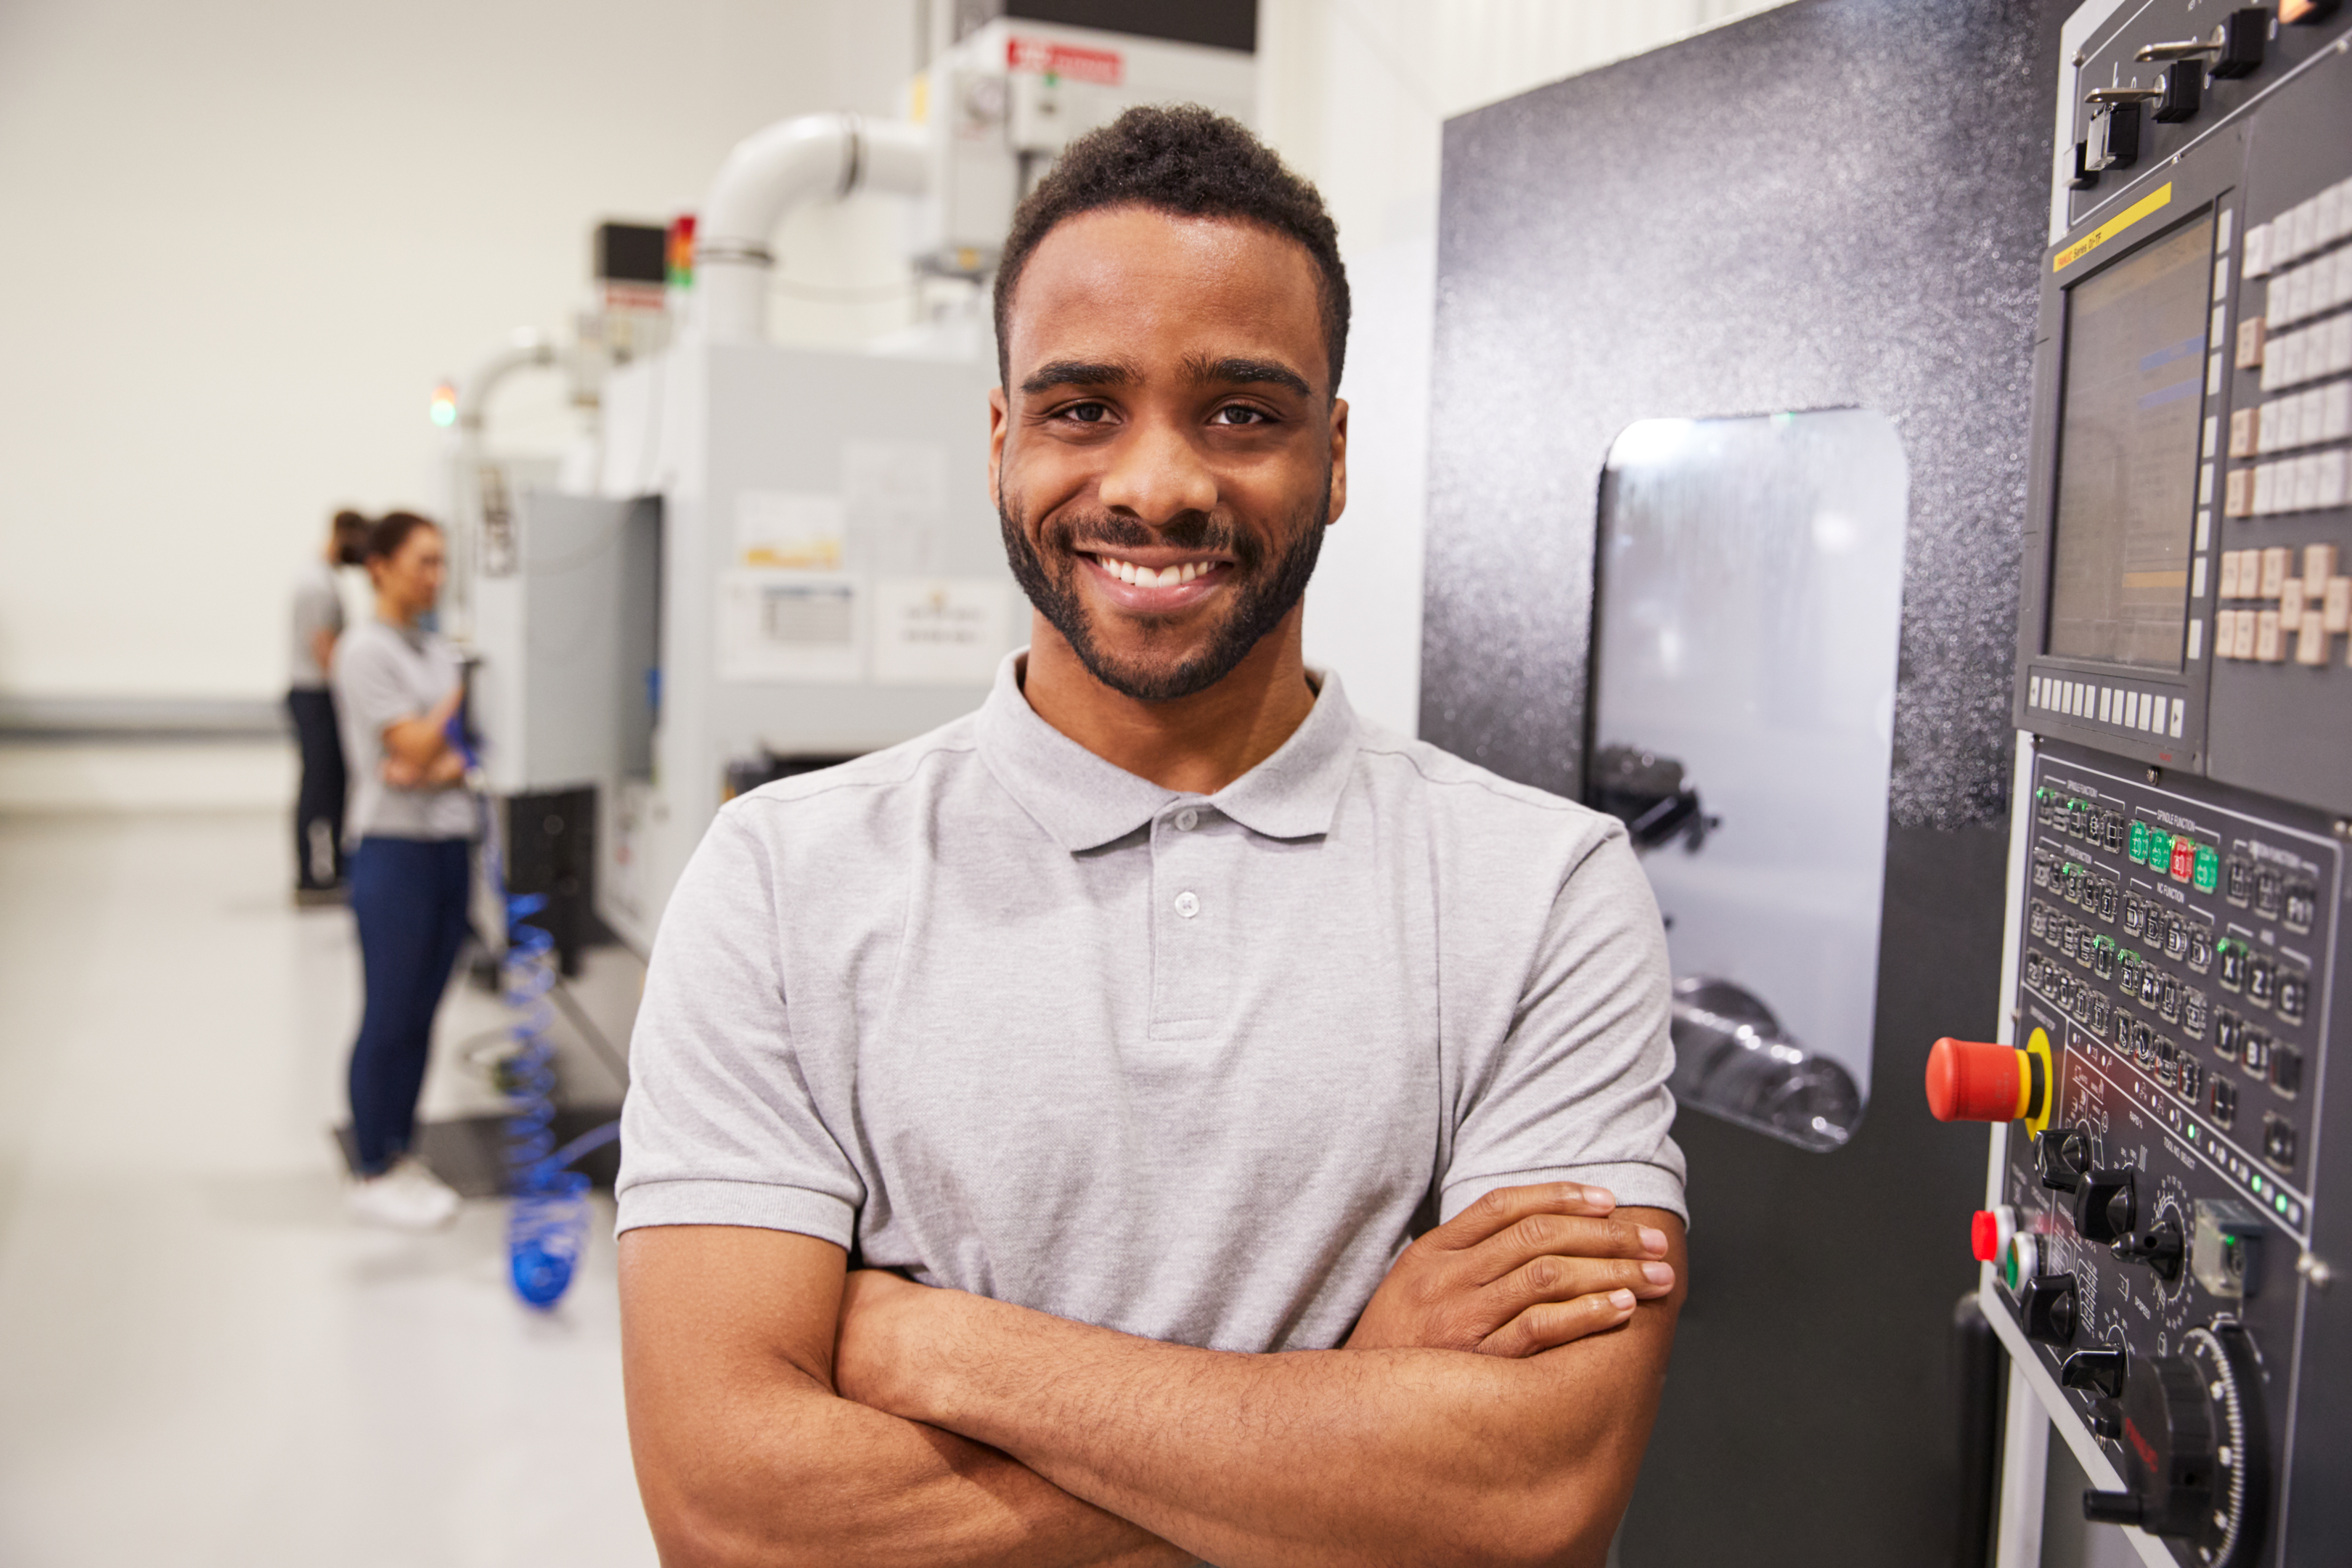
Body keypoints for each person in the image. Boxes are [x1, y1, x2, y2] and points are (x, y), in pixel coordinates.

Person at [618, 106, 1688, 1567]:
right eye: (1081, 409)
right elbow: (730, 1511)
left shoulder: (1545, 890)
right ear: (1002, 440)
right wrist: (1353, 1418)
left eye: (1242, 411)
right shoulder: (781, 880)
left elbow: (1525, 1502)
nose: (1156, 485)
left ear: (1338, 451)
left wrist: (941, 1350)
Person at [332, 511, 472, 1230]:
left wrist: (433, 757)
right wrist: (464, 692)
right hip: (393, 849)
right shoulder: (365, 650)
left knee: (423, 1012)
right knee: (388, 1011)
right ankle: (370, 1165)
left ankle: (401, 1149)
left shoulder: (430, 647)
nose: (436, 576)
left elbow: (442, 758)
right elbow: (414, 749)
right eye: (423, 561)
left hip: (450, 847)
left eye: (442, 562)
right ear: (380, 565)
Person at [287, 508, 371, 902]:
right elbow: (323, 646)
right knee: (319, 785)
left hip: (318, 693)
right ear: (343, 534)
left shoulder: (323, 578)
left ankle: (332, 868)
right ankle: (309, 874)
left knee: (332, 783)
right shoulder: (316, 585)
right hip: (314, 695)